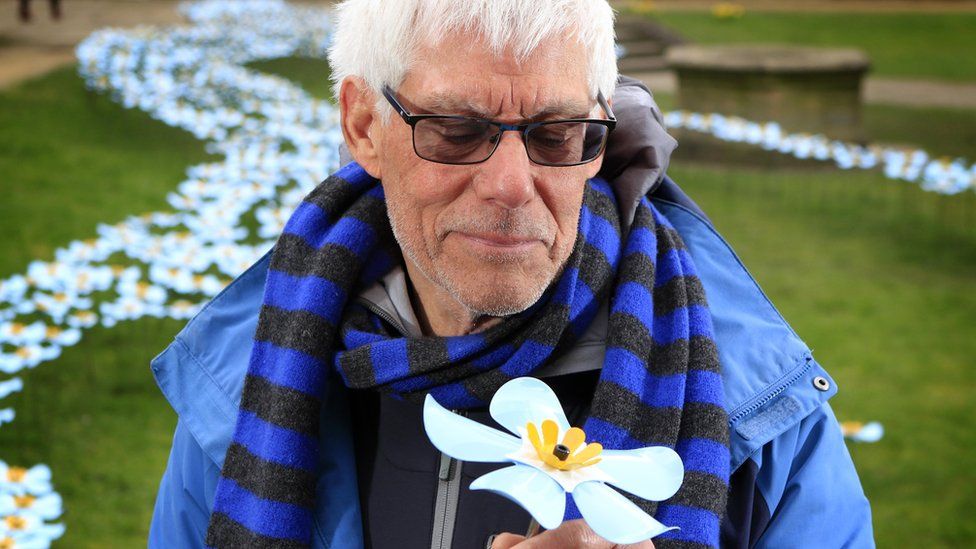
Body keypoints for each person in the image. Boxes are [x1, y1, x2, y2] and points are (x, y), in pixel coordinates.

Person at [149, 1, 874, 548]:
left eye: (556, 134)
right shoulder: (246, 378)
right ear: (364, 125)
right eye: (456, 130)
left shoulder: (757, 410)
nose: (510, 185)